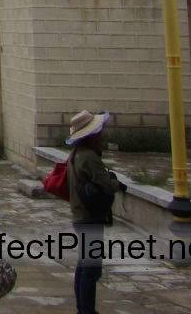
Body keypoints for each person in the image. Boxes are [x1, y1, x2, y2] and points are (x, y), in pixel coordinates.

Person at [66, 110, 124, 314]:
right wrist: (118, 184)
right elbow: (106, 184)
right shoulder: (89, 157)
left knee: (84, 266)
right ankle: (87, 310)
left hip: (79, 215)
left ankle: (83, 308)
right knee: (91, 269)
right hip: (90, 217)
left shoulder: (73, 156)